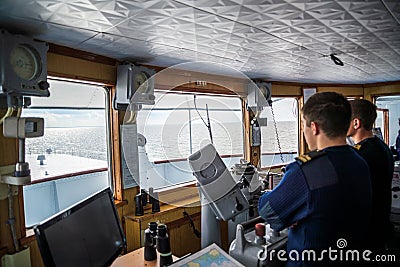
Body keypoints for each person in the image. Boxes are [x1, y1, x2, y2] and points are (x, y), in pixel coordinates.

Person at [258, 92, 372, 267]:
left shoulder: (306, 171)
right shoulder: (359, 161)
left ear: (314, 127)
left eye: (303, 125)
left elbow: (268, 211)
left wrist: (291, 211)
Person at [347, 99, 394, 254]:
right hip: (379, 225)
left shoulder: (360, 154)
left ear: (356, 123)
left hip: (364, 232)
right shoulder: (382, 147)